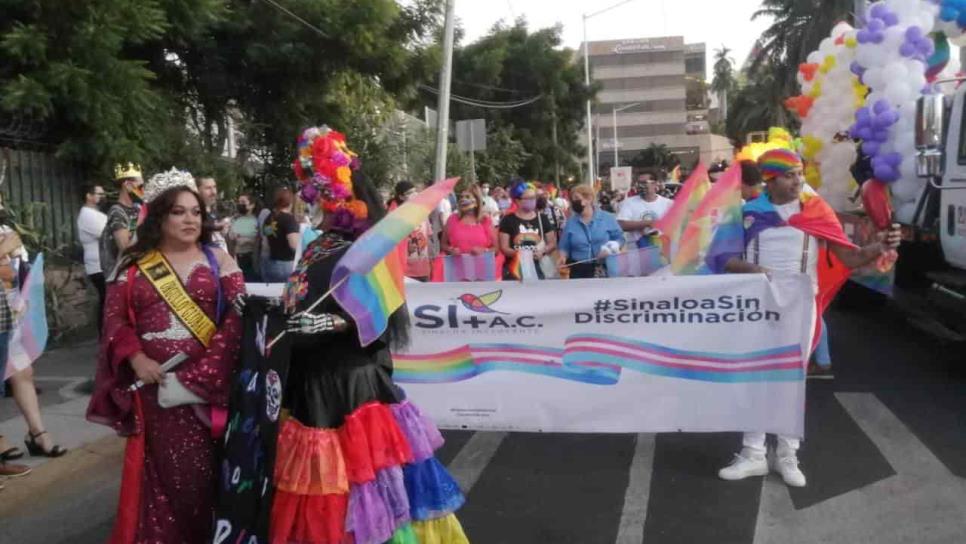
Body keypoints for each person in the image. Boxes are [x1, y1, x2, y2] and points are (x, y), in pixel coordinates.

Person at [215, 126, 468, 544]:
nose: (316, 198)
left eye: (323, 190)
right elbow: (300, 296)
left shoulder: (372, 245)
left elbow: (379, 315)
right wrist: (262, 311)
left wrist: (329, 324)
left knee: (363, 489)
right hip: (306, 381)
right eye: (313, 190)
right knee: (315, 491)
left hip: (350, 386)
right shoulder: (317, 243)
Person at [713, 148, 901, 488]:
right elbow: (721, 258)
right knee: (755, 377)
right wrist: (753, 269)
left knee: (791, 378)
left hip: (801, 305)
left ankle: (787, 454)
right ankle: (753, 454)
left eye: (800, 173)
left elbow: (851, 256)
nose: (799, 180)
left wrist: (880, 245)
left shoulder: (816, 211)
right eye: (790, 175)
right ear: (770, 179)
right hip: (758, 304)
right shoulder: (746, 213)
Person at [87, 168, 245, 543]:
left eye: (195, 211)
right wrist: (136, 358)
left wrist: (198, 380)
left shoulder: (218, 259)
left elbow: (237, 321)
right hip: (154, 389)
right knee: (161, 477)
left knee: (205, 478)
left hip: (208, 389)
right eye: (178, 211)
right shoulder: (133, 264)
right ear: (159, 215)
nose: (190, 219)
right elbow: (114, 322)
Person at [0, 192, 66, 461]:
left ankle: (37, 433)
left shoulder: (7, 230)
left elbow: (18, 269)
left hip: (10, 309)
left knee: (23, 371)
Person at [557, 184, 624, 279]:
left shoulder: (607, 218)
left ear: (589, 199)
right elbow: (564, 246)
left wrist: (610, 248)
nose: (574, 202)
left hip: (604, 268)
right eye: (572, 200)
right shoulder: (570, 222)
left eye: (577, 198)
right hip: (579, 270)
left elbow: (620, 239)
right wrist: (562, 257)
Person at [499, 179, 558, 279]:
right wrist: (519, 254)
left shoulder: (543, 218)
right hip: (515, 270)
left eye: (533, 198)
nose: (532, 201)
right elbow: (504, 247)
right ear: (517, 200)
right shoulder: (508, 220)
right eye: (528, 198)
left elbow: (552, 243)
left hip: (539, 269)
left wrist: (542, 252)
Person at [99, 163, 144, 278]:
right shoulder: (116, 211)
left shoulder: (137, 209)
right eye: (140, 187)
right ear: (127, 185)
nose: (142, 192)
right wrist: (139, 220)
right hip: (119, 276)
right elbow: (125, 247)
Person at [77, 184, 108, 333]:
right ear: (88, 196)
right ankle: (104, 334)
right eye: (99, 194)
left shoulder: (97, 213)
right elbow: (107, 235)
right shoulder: (87, 215)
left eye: (103, 194)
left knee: (108, 299)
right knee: (107, 299)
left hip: (104, 263)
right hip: (98, 265)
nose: (102, 197)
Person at [390, 181, 435, 281]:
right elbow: (391, 243)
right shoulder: (396, 217)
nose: (414, 195)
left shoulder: (422, 213)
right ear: (401, 197)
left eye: (415, 191)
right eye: (410, 193)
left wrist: (432, 260)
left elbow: (428, 237)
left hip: (423, 269)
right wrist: (405, 247)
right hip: (405, 270)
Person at [617, 174, 673, 247]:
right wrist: (649, 223)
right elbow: (621, 225)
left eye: (644, 183)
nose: (640, 186)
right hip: (637, 252)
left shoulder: (669, 204)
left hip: (662, 250)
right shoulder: (628, 203)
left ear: (654, 184)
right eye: (638, 183)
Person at [442, 186, 498, 255]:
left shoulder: (485, 220)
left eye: (467, 197)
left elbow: (496, 249)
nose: (463, 199)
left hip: (481, 264)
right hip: (457, 264)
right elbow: (443, 245)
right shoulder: (452, 219)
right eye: (461, 197)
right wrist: (450, 250)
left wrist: (484, 251)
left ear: (477, 201)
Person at [261, 187, 300, 282]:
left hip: (271, 264)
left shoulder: (269, 218)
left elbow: (265, 245)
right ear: (291, 202)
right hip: (287, 265)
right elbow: (294, 244)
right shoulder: (289, 220)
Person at [228, 193, 259, 281]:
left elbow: (258, 241)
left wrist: (247, 241)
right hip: (237, 258)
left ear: (252, 205)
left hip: (250, 259)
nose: (240, 204)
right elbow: (231, 238)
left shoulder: (256, 221)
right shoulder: (235, 220)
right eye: (239, 202)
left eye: (243, 202)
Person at [198, 176, 229, 251]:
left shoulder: (214, 211)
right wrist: (214, 226)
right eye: (208, 188)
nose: (213, 192)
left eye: (214, 187)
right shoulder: (196, 212)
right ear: (198, 190)